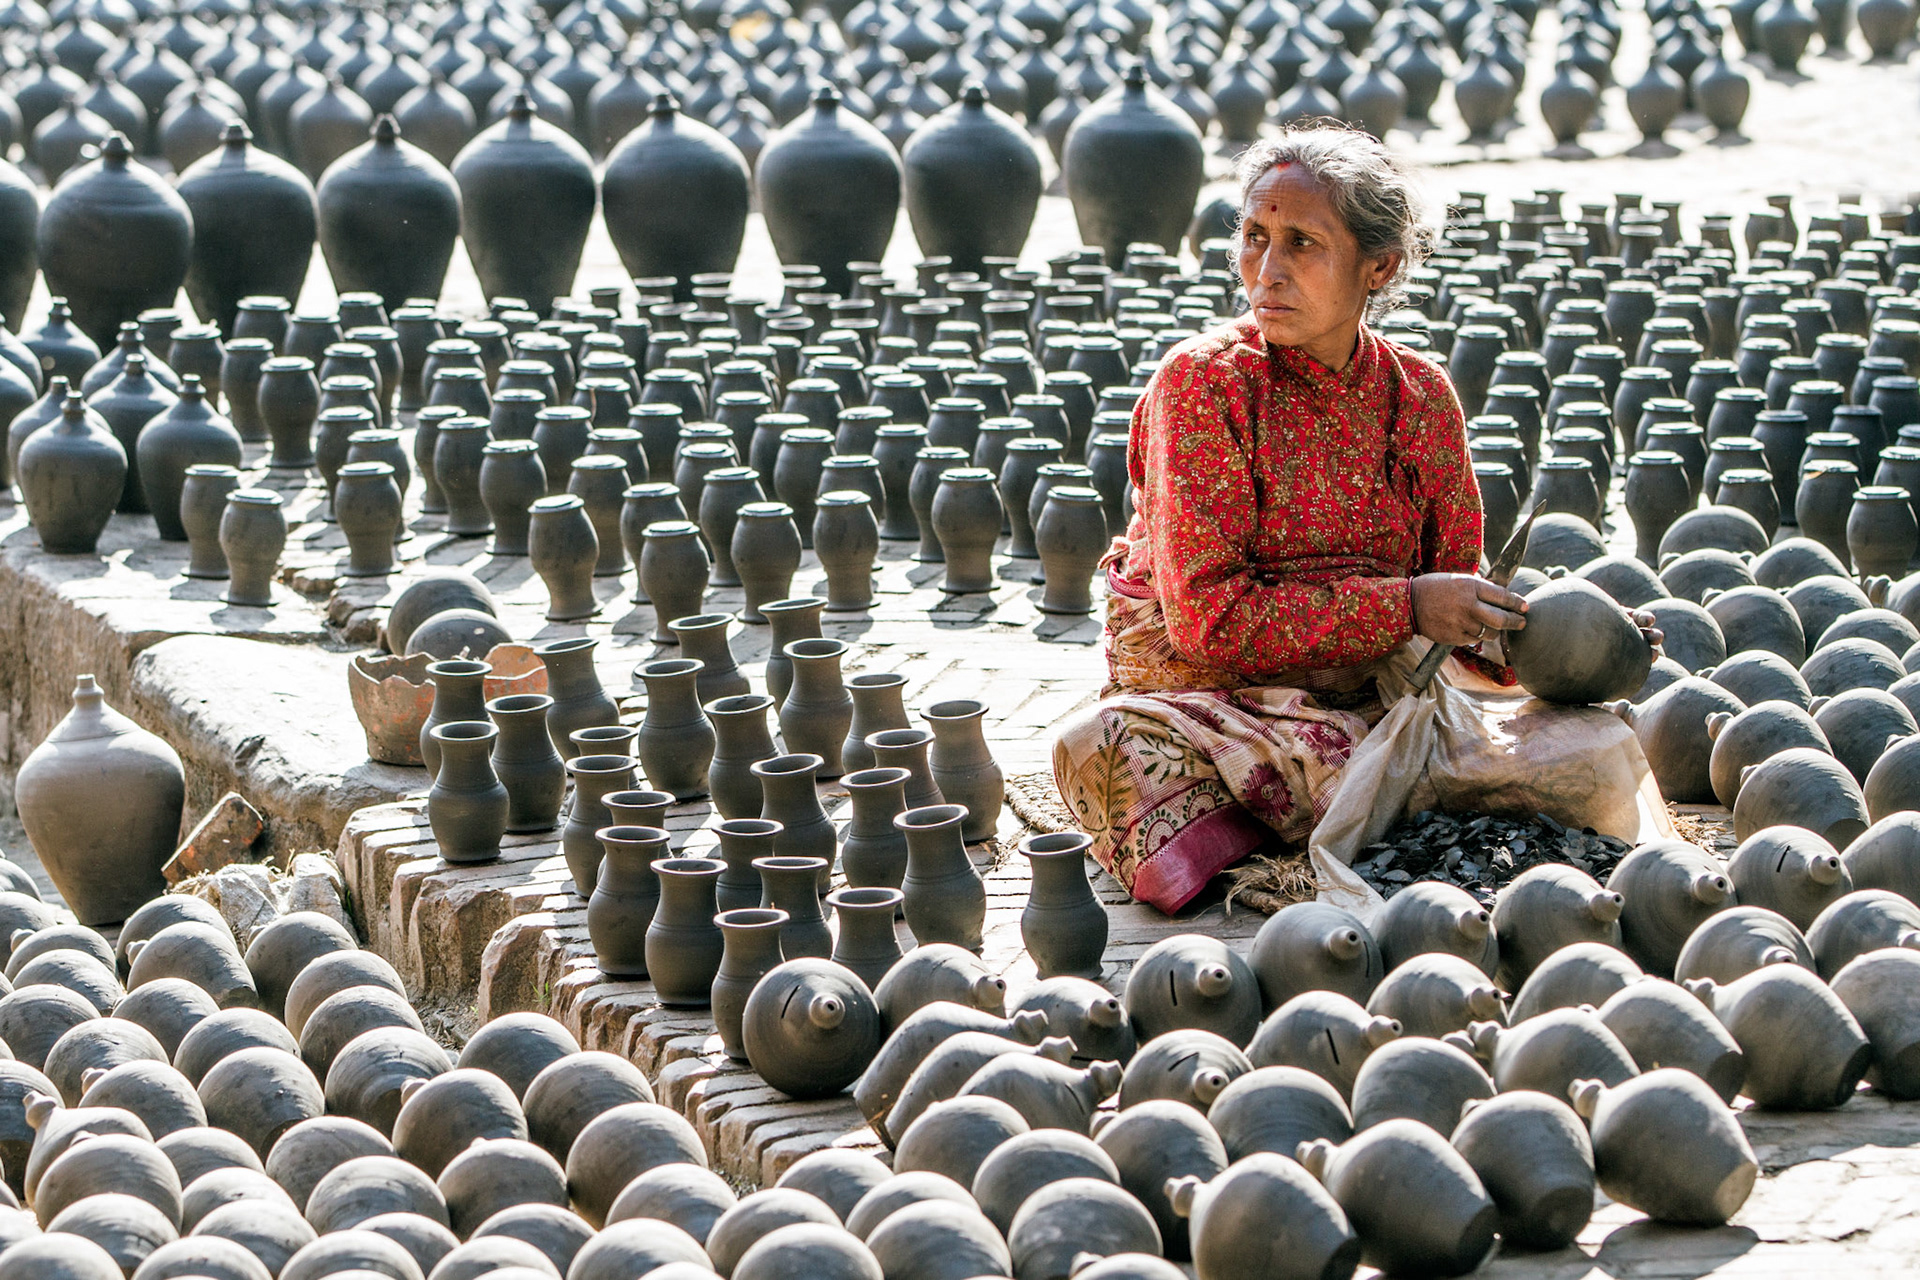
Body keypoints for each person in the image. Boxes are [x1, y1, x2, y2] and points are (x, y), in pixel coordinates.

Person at [1051, 123, 1534, 914]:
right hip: (1211, 701)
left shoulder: (1420, 397)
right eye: (1253, 237)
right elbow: (1208, 623)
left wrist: (1545, 632)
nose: (1266, 272)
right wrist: (1407, 606)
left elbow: (1454, 607)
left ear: (1378, 266)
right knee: (1104, 752)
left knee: (1593, 737)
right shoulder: (1203, 384)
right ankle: (1349, 809)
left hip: (1369, 697)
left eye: (1302, 243)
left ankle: (1334, 807)